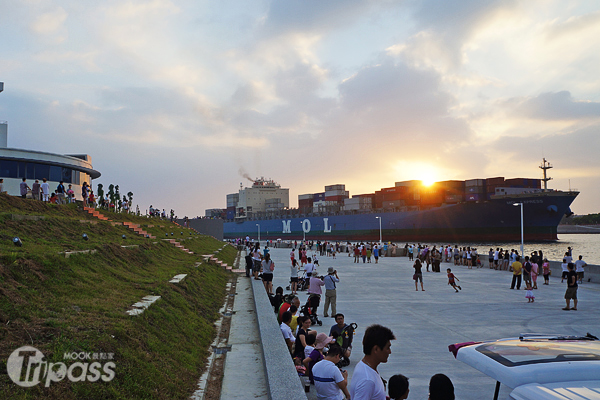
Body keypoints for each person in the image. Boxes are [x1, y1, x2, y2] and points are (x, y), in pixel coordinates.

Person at [349, 324, 395, 400]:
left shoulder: (364, 365)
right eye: (388, 348)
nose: (390, 352)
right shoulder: (367, 380)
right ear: (376, 349)